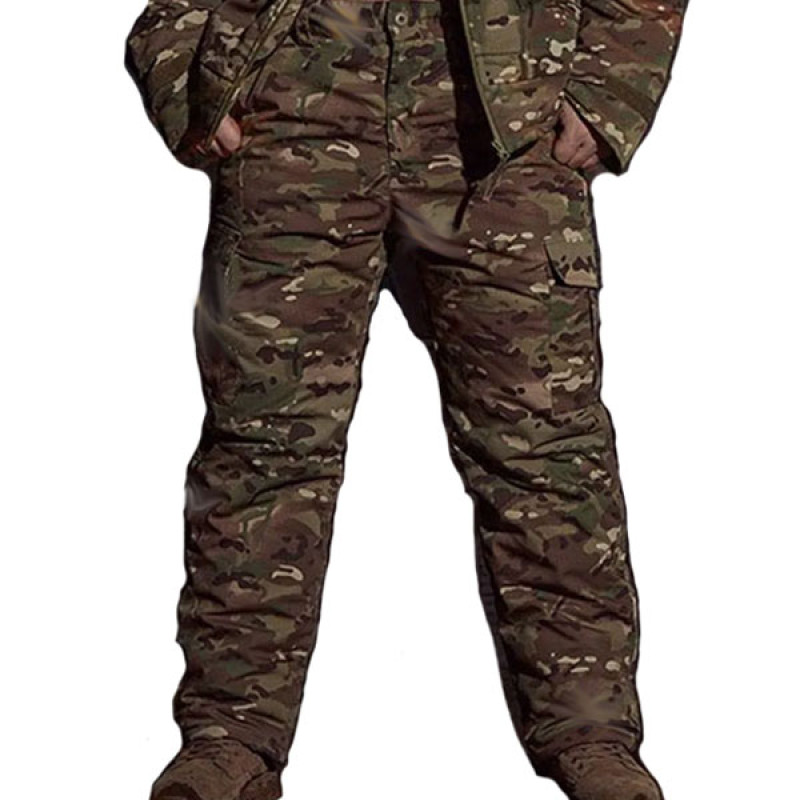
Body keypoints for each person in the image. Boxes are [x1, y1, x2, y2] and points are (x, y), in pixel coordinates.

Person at [124, 1, 688, 799]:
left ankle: (593, 738)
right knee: (262, 447)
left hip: (504, 127)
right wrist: (186, 71)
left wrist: (608, 90)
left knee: (545, 451)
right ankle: (229, 739)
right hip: (296, 112)